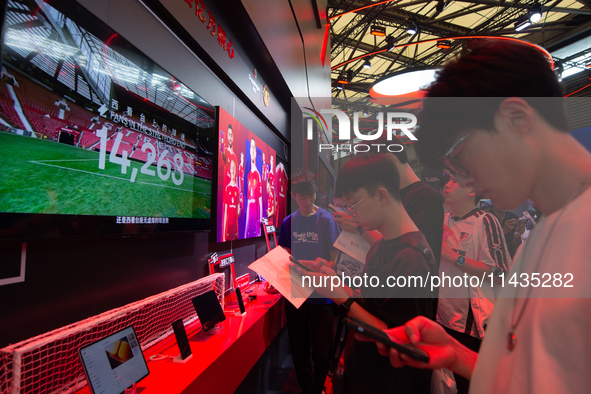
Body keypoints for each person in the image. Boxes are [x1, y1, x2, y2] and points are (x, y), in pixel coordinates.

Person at [361, 39, 591, 393]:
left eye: (460, 158)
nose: (463, 180)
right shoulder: (546, 229)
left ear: (516, 118)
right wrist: (455, 353)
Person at [307, 153, 437, 394]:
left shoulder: (412, 259)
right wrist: (334, 281)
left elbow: (401, 340)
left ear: (381, 195)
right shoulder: (380, 245)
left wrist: (342, 299)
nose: (350, 213)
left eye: (353, 204)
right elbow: (370, 302)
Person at [438, 176, 511, 393]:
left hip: (470, 324)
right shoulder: (442, 219)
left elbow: (501, 273)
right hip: (442, 316)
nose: (447, 186)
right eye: (446, 181)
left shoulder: (485, 220)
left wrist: (455, 258)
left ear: (472, 190)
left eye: (454, 181)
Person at [277, 173, 340, 394]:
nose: (306, 202)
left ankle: (320, 385)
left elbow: (335, 259)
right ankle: (308, 388)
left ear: (315, 195)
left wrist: (319, 266)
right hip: (296, 293)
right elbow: (286, 255)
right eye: (301, 198)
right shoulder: (288, 222)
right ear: (294, 196)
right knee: (299, 346)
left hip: (321, 294)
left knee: (322, 349)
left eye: (310, 197)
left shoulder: (326, 220)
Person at [245, 138, 262, 238]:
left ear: (255, 152)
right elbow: (248, 204)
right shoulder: (248, 174)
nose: (252, 150)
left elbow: (260, 201)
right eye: (250, 147)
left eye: (253, 147)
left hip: (255, 228)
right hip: (248, 227)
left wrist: (259, 226)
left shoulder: (258, 175)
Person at [222, 160, 240, 242]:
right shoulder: (227, 188)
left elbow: (238, 213)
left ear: (236, 171)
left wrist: (239, 206)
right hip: (228, 229)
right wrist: (223, 235)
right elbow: (225, 213)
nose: (233, 170)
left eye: (234, 168)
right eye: (231, 168)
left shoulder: (237, 189)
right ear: (230, 170)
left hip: (235, 229)